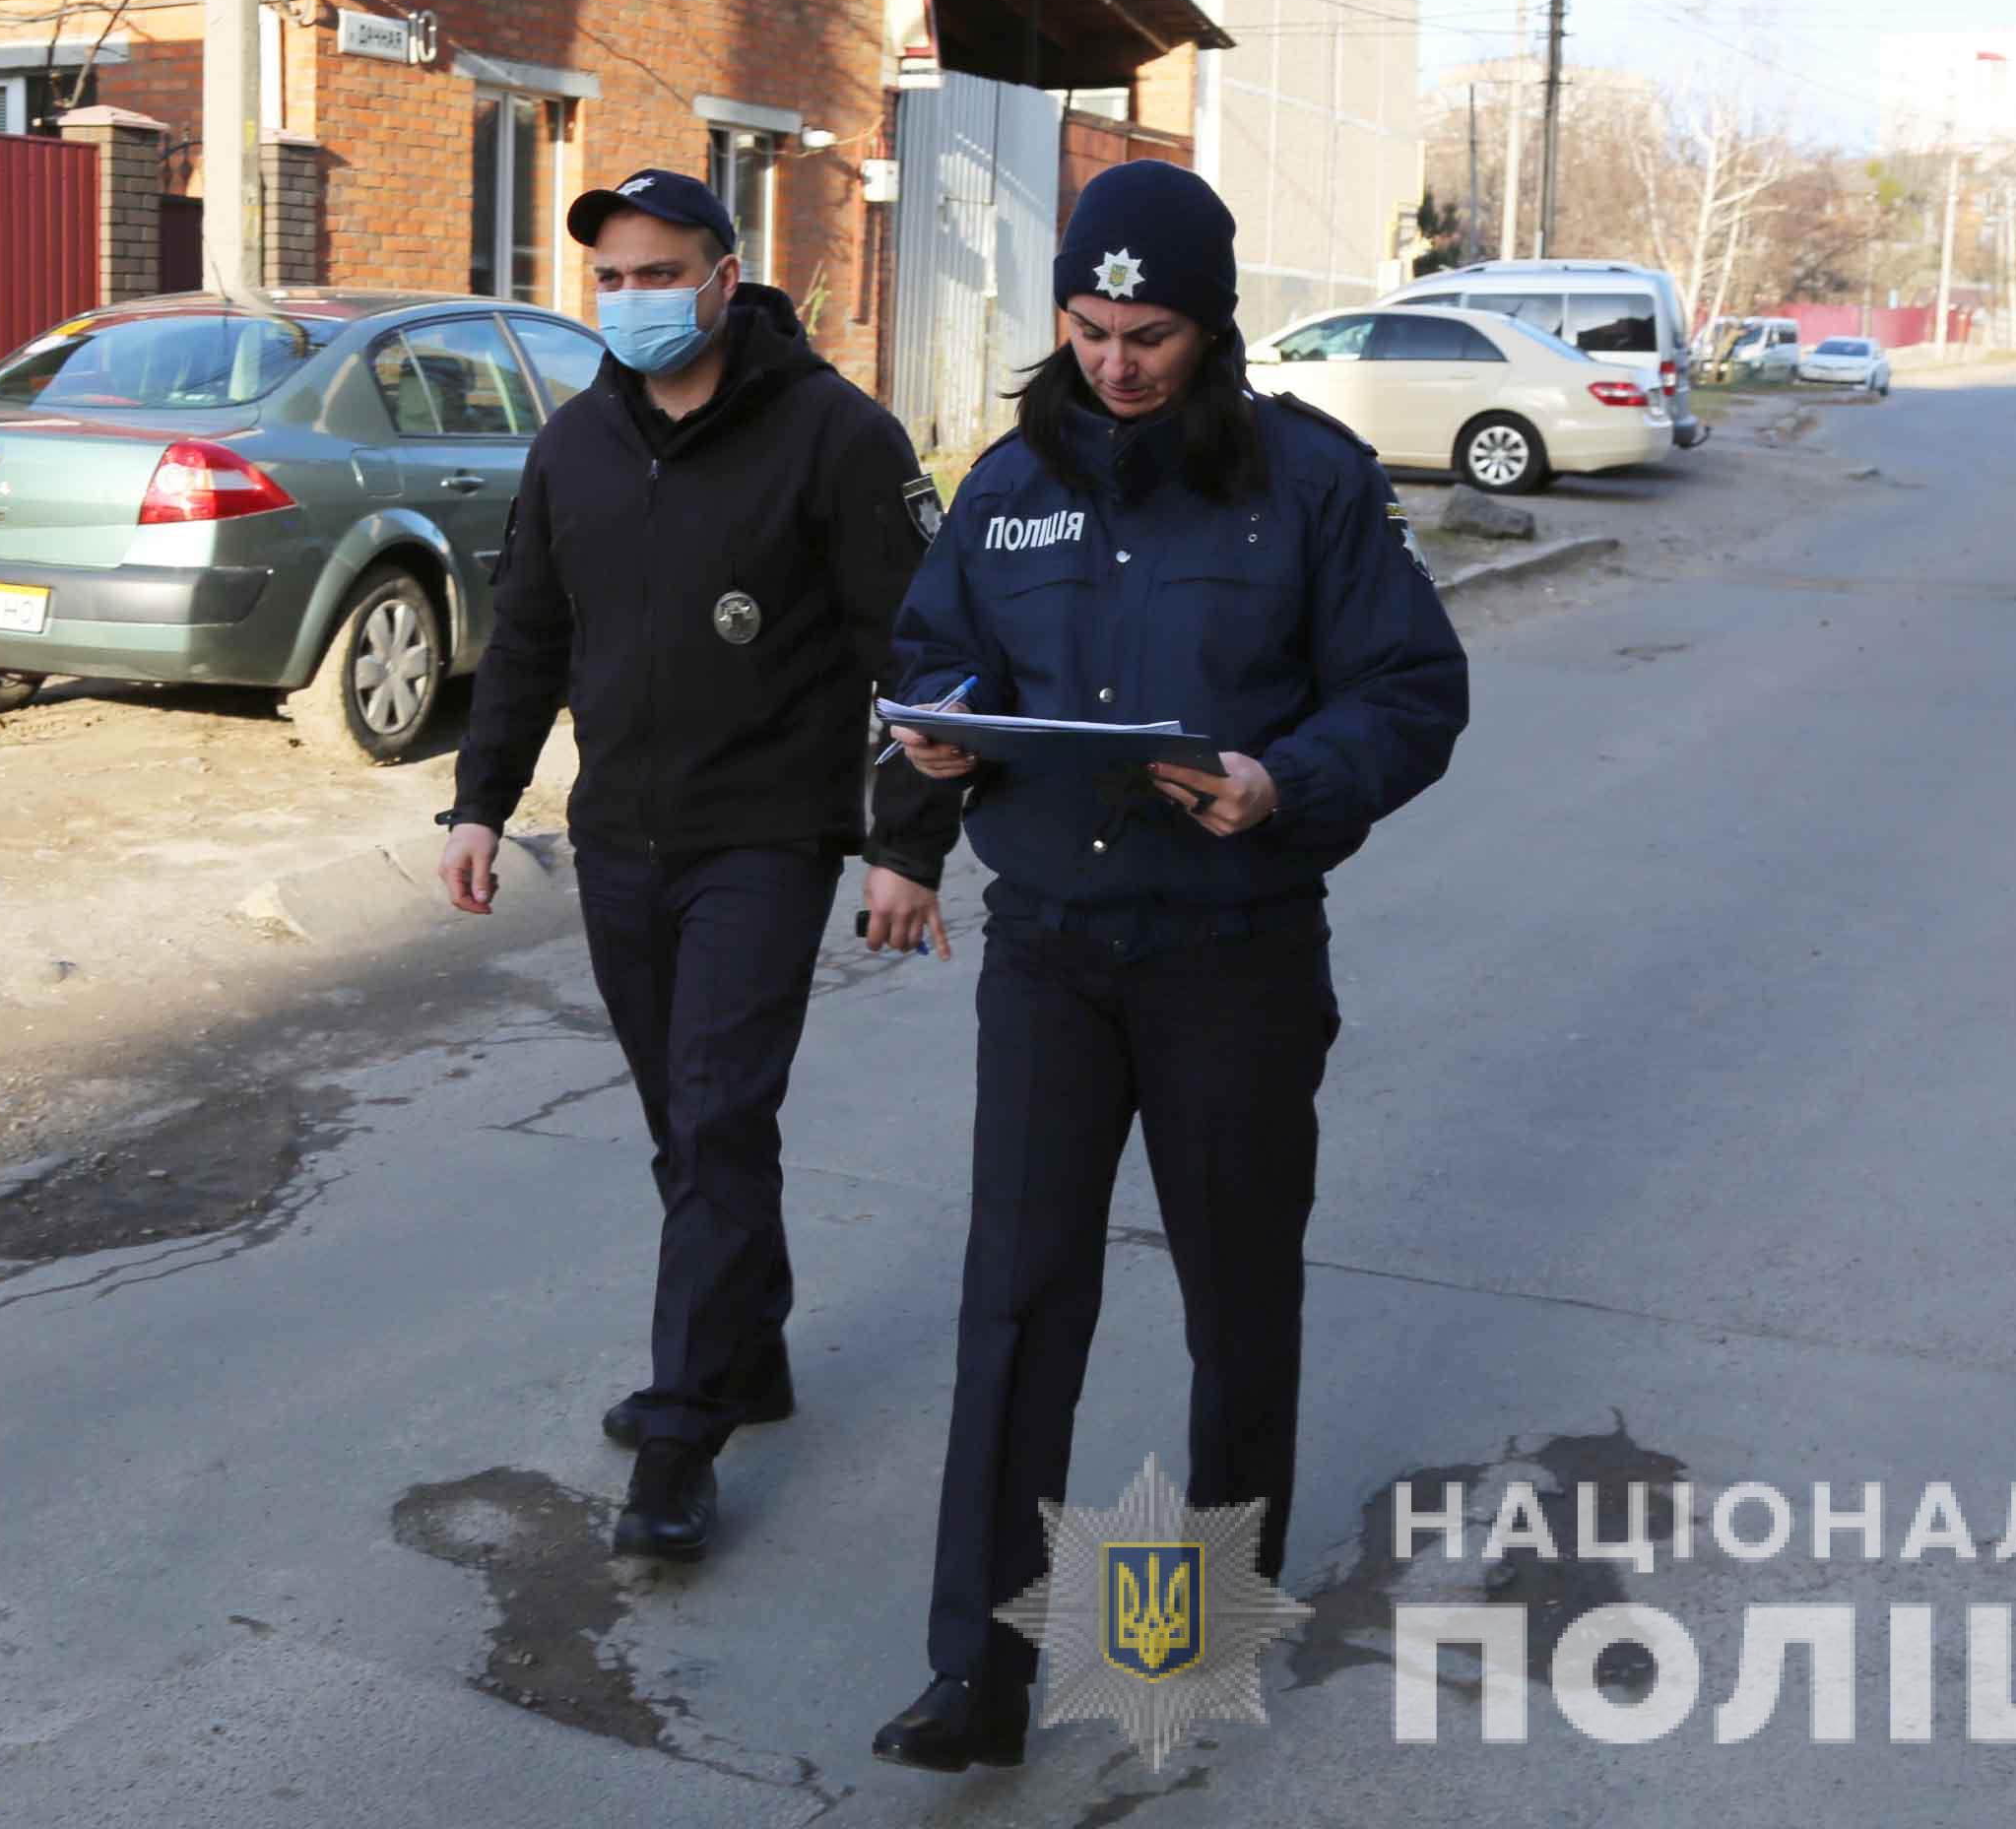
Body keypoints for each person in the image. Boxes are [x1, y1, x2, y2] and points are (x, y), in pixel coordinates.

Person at [866, 162, 1469, 1773]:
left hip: (1235, 955)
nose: (1115, 366)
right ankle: (975, 1673)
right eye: (1087, 330)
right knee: (1018, 1301)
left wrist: (1286, 780)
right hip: (1052, 956)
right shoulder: (1007, 485)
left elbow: (1413, 692)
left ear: (1211, 330)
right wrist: (925, 761)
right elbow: (932, 654)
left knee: (1234, 1299)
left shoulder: (1310, 486)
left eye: (1147, 336)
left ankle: (1205, 1626)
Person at [435, 167, 954, 1565]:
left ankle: (680, 1440)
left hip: (767, 840)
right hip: (621, 841)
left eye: (659, 273)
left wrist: (907, 841)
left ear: (727, 275)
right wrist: (479, 805)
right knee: (688, 1122)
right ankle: (749, 1350)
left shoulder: (835, 436)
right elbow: (528, 635)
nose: (632, 301)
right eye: (610, 278)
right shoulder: (577, 446)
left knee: (722, 1115)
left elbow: (917, 656)